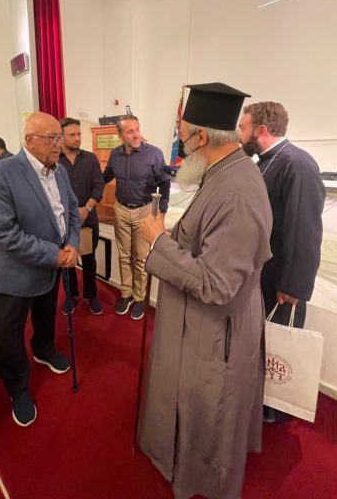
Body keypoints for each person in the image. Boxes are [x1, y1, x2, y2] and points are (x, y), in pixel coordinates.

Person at [138, 83, 273, 499]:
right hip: (204, 327)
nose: (180, 146)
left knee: (210, 413)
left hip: (215, 334)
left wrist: (157, 243)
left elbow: (216, 283)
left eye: (183, 136)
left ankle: (202, 479)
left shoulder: (236, 191)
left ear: (200, 137)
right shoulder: (224, 172)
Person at [0, 112, 81, 427]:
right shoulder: (2, 173)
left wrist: (73, 244)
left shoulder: (59, 171)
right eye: (52, 138)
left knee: (45, 313)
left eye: (59, 137)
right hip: (15, 273)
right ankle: (17, 387)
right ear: (29, 140)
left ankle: (43, 348)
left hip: (52, 266)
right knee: (10, 335)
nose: (59, 143)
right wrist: (55, 254)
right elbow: (4, 234)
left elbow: (72, 211)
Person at [238, 101, 326, 424]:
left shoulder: (297, 164)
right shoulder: (266, 162)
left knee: (278, 347)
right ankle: (259, 399)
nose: (239, 133)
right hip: (263, 276)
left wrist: (292, 286)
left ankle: (274, 408)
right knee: (261, 342)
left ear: (261, 130)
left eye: (243, 127)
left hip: (282, 282)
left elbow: (304, 233)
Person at [102, 115, 170, 320]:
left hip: (144, 211)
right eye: (130, 131)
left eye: (137, 129)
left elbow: (164, 182)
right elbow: (106, 176)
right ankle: (126, 294)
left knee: (140, 258)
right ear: (120, 135)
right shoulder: (115, 154)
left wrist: (161, 212)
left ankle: (140, 298)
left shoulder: (154, 154)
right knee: (124, 256)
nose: (136, 134)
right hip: (121, 209)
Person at [59, 117, 104, 315]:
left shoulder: (91, 159)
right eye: (72, 134)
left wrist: (86, 208)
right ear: (61, 137)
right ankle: (71, 296)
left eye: (79, 134)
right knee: (67, 261)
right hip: (64, 222)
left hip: (88, 220)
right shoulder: (54, 161)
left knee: (89, 259)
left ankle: (91, 295)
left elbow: (99, 187)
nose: (78, 138)